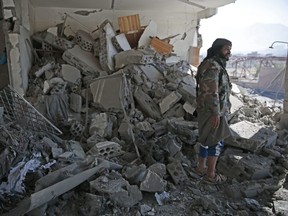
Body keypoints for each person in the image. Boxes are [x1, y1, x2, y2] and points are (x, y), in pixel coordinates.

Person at [194, 38, 233, 184]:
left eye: (230, 49)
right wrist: (216, 112)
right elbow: (211, 91)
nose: (229, 52)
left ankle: (201, 167)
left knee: (206, 139)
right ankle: (211, 175)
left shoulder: (211, 64)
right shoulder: (213, 66)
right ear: (218, 49)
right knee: (216, 141)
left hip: (208, 109)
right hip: (213, 110)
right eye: (226, 48)